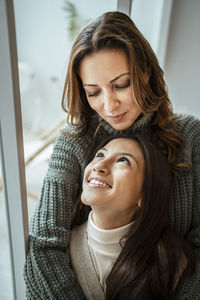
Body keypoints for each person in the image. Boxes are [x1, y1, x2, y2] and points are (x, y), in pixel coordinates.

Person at [24, 11, 200, 299]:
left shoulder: (191, 136)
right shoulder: (74, 141)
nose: (109, 105)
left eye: (121, 85)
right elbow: (44, 245)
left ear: (145, 72)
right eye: (93, 92)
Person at [70, 135, 195, 300]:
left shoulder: (172, 261)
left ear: (145, 193)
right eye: (100, 155)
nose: (99, 165)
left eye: (123, 160)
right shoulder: (62, 248)